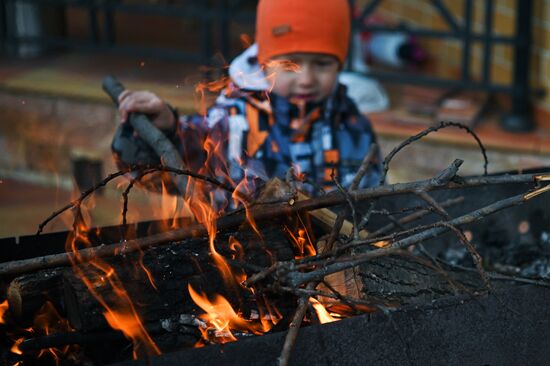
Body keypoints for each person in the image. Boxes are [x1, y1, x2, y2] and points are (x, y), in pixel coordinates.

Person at [112, 0, 381, 196]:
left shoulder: (353, 125)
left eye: (322, 64)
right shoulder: (235, 119)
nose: (307, 79)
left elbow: (371, 202)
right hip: (244, 261)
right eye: (290, 64)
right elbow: (177, 162)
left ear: (340, 65)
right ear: (264, 63)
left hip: (331, 264)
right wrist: (165, 129)